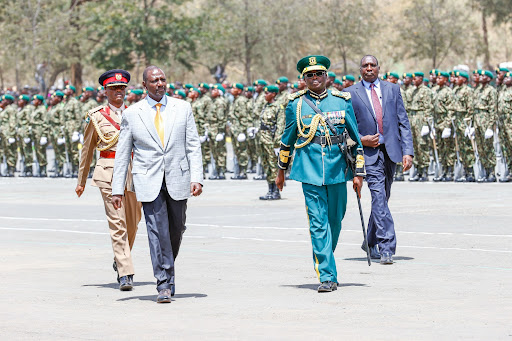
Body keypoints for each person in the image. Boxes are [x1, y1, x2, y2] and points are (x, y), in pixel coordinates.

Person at [111, 66, 203, 303]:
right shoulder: (132, 113)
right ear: (145, 85)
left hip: (178, 178)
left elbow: (193, 145)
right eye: (155, 80)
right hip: (147, 180)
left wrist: (197, 178)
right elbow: (122, 154)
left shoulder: (182, 108)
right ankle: (163, 282)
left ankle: (167, 266)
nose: (160, 83)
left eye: (163, 79)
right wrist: (117, 189)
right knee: (156, 231)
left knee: (176, 229)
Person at [275, 55, 365, 292]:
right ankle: (327, 275)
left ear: (326, 76)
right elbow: (287, 140)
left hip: (338, 170)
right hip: (309, 171)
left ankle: (325, 253)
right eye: (309, 75)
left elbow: (355, 139)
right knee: (318, 224)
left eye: (318, 74)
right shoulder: (295, 104)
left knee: (335, 221)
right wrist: (281, 171)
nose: (314, 78)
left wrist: (359, 173)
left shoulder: (342, 101)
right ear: (303, 79)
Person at [75, 69, 142, 291]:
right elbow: (87, 150)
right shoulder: (96, 117)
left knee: (133, 222)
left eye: (122, 88)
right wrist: (81, 180)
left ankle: (120, 257)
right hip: (108, 173)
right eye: (114, 88)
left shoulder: (136, 113)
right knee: (118, 223)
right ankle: (125, 272)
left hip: (134, 173)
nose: (119, 92)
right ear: (106, 91)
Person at [345, 55, 414, 265]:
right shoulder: (350, 93)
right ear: (360, 69)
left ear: (378, 68)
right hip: (367, 153)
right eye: (365, 66)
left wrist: (407, 151)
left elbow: (403, 121)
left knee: (384, 197)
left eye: (372, 65)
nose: (368, 68)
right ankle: (386, 247)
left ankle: (369, 240)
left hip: (391, 151)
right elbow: (346, 128)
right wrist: (361, 140)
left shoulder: (392, 90)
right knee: (378, 197)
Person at [259, 85, 284, 200]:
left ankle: (276, 191)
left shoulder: (278, 107)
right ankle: (270, 189)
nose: (265, 95)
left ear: (273, 94)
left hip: (271, 141)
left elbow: (280, 126)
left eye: (267, 93)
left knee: (274, 166)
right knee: (266, 165)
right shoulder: (266, 106)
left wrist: (277, 144)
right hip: (263, 140)